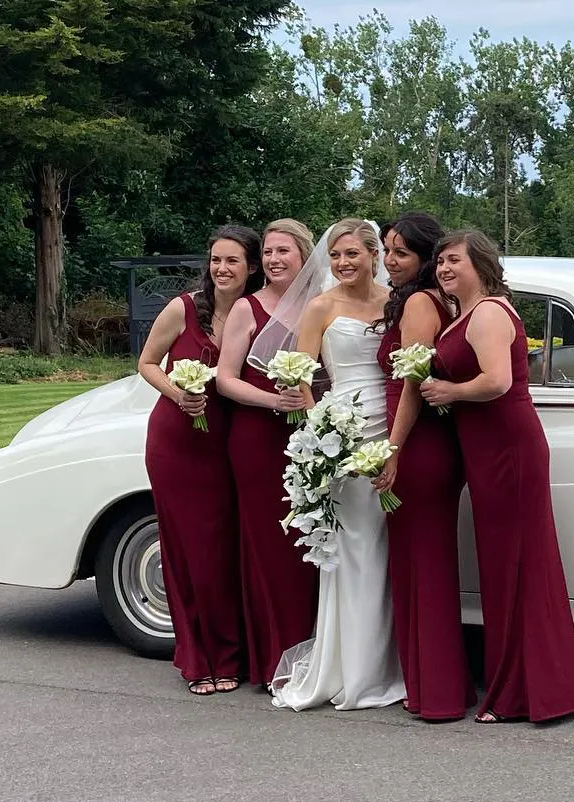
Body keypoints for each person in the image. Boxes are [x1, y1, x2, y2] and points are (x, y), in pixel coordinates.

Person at [419, 229, 574, 724]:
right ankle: (526, 685)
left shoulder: (490, 312)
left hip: (507, 448)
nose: (444, 269)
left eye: (454, 261)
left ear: (481, 263)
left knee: (515, 563)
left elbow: (495, 381)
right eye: (441, 263)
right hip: (488, 448)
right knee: (504, 564)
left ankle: (521, 692)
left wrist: (447, 392)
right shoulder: (469, 313)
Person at [265, 217, 406, 711]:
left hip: (391, 425)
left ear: (374, 255)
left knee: (387, 552)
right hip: (342, 433)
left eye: (354, 254)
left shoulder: (395, 304)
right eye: (337, 256)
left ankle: (384, 664)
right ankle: (350, 671)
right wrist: (320, 432)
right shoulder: (320, 307)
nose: (344, 263)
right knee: (355, 550)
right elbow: (302, 379)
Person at [137, 224, 263, 695]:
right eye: (215, 260)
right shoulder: (183, 309)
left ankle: (237, 652)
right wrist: (179, 393)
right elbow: (147, 363)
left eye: (233, 261)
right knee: (190, 550)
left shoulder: (259, 312)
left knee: (227, 550)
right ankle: (201, 658)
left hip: (230, 443)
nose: (222, 269)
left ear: (251, 267)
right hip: (178, 442)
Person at [372, 212, 475, 721]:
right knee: (422, 564)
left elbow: (412, 381)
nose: (390, 260)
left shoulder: (419, 301)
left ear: (425, 259)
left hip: (417, 442)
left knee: (423, 566)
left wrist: (391, 448)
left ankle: (437, 692)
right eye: (387, 250)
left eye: (401, 252)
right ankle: (436, 683)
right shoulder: (440, 299)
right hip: (424, 438)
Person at [215, 218, 320, 690]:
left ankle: (313, 651)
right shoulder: (247, 308)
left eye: (285, 252)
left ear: (304, 257)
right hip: (257, 437)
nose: (276, 260)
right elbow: (226, 378)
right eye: (270, 253)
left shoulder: (320, 306)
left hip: (311, 438)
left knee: (309, 546)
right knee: (268, 546)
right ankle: (271, 659)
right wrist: (275, 401)